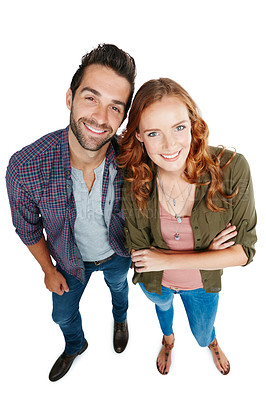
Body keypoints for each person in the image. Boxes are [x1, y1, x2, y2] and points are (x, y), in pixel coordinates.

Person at [6, 44, 136, 381]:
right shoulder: (25, 167)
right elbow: (29, 229)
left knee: (120, 289)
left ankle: (119, 318)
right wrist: (48, 269)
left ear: (123, 118)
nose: (100, 117)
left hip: (117, 253)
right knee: (61, 316)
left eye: (115, 107)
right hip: (68, 262)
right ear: (70, 98)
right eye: (91, 98)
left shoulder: (133, 160)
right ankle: (76, 344)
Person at [118, 78, 256, 375]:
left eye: (179, 127)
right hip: (157, 283)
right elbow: (141, 256)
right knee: (163, 311)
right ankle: (167, 341)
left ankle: (212, 342)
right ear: (140, 136)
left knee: (202, 332)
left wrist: (166, 258)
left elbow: (244, 253)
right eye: (154, 133)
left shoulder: (232, 168)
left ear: (193, 123)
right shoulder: (135, 180)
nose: (170, 145)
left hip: (201, 286)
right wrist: (209, 252)